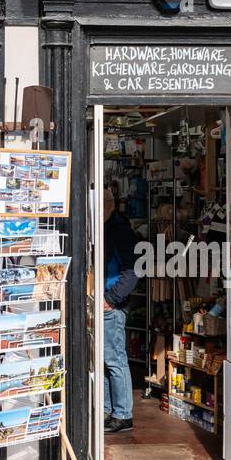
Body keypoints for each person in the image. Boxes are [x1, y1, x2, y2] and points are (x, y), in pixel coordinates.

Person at [103, 185, 139, 433]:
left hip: (112, 306)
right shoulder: (106, 227)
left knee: (115, 360)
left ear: (109, 205)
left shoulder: (121, 231)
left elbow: (134, 270)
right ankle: (108, 409)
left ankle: (123, 414)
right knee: (105, 360)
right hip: (104, 302)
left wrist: (111, 299)